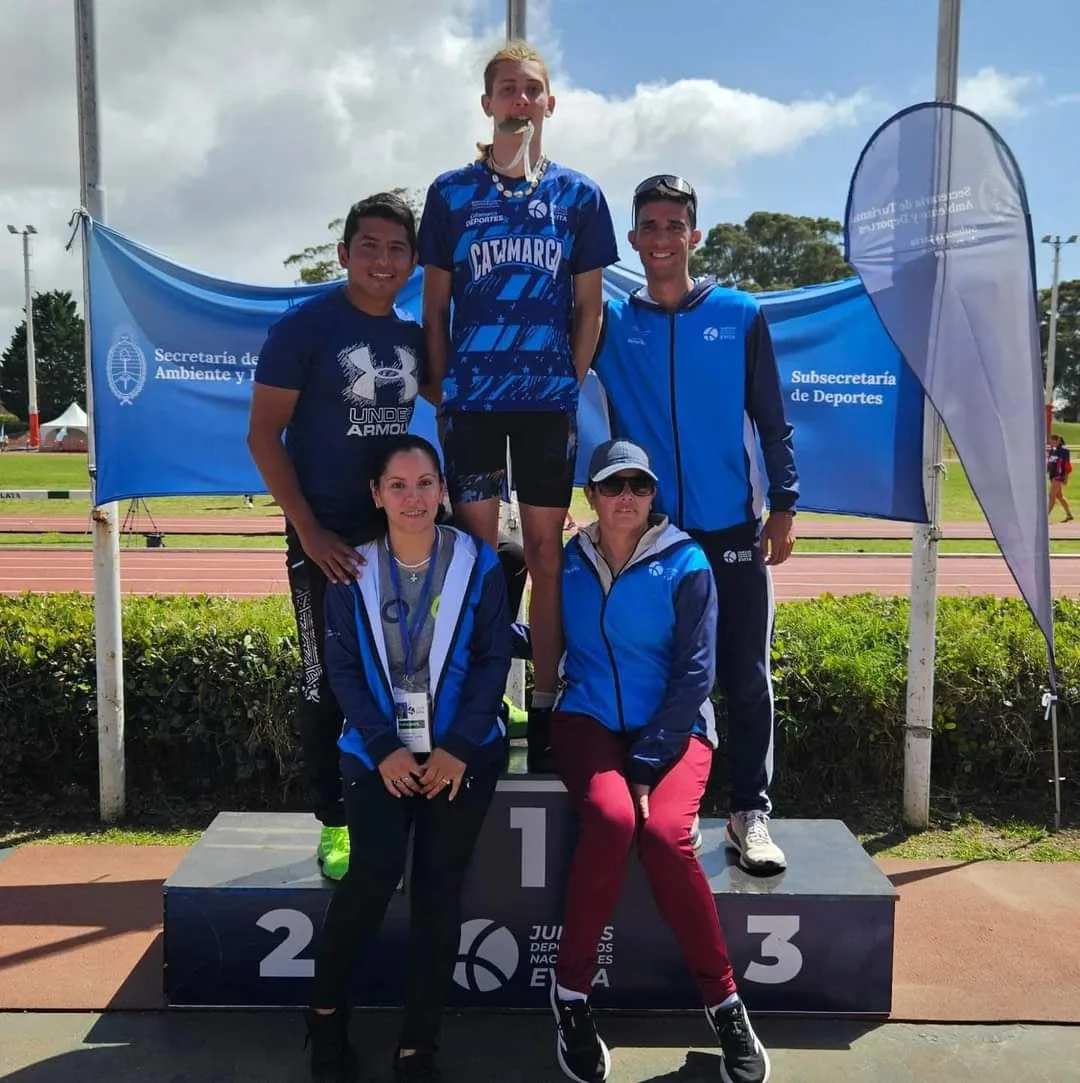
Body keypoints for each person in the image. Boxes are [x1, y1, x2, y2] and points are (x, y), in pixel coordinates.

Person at [417, 39, 619, 774]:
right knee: (474, 561)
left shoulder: (579, 196)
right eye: (508, 89)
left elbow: (590, 306)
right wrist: (443, 386)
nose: (520, 100)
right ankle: (480, 706)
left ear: (549, 103)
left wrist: (568, 377)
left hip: (543, 407)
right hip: (471, 406)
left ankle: (543, 699)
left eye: (532, 89)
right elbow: (434, 304)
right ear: (487, 103)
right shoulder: (449, 194)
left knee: (543, 553)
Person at [592, 175, 797, 873]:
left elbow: (772, 420)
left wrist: (786, 503)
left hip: (731, 530)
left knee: (744, 675)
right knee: (660, 676)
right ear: (633, 238)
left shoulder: (740, 314)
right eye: (648, 226)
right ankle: (647, 809)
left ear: (694, 235)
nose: (660, 238)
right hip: (655, 537)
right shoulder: (612, 324)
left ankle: (750, 813)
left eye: (674, 225)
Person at [548, 439, 770, 1083]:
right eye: (613, 487)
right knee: (615, 824)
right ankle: (570, 998)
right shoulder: (568, 560)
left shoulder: (687, 561)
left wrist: (647, 760)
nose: (626, 499)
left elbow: (697, 672)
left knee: (667, 837)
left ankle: (725, 1003)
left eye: (638, 488)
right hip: (586, 719)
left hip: (671, 732)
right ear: (590, 496)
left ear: (653, 496)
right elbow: (542, 636)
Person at [304, 434, 511, 1083]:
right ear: (376, 493)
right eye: (398, 484)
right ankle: (327, 1012)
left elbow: (492, 661)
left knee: (438, 891)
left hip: (462, 752)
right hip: (376, 751)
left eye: (426, 482)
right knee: (374, 871)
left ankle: (418, 1041)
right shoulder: (351, 568)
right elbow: (341, 668)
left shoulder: (477, 562)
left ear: (443, 489)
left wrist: (455, 747)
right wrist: (387, 747)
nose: (414, 497)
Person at [247, 192, 428, 881]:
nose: (383, 260)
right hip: (324, 534)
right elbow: (263, 436)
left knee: (411, 665)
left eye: (397, 249)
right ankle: (334, 821)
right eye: (370, 246)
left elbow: (466, 396)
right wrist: (309, 528)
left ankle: (408, 802)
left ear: (413, 260)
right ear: (344, 252)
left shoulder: (412, 334)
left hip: (396, 532)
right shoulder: (305, 327)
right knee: (325, 682)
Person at [1047, 433, 1073, 522]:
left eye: (1052, 440)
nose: (1050, 442)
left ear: (1057, 440)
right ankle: (1069, 514)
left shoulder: (1064, 451)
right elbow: (1050, 464)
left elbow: (1067, 466)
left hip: (1059, 476)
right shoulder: (1052, 451)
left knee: (1051, 496)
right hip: (1052, 476)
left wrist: (1066, 478)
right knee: (1059, 496)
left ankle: (1045, 517)